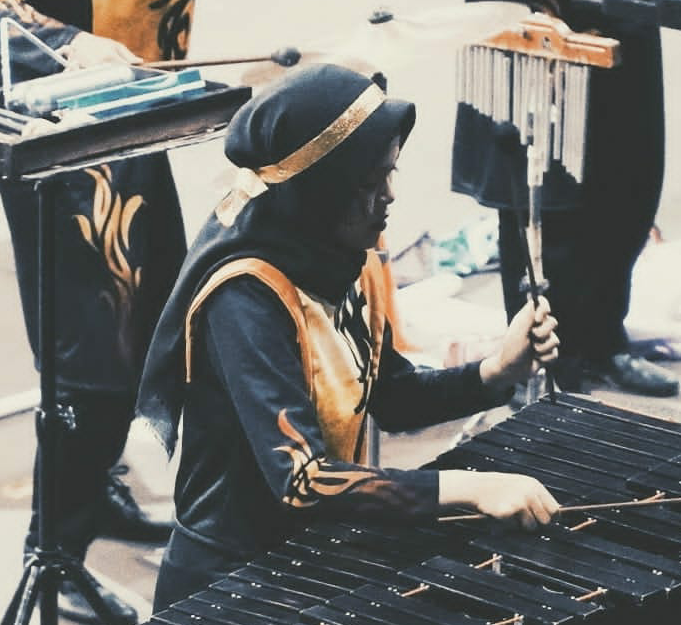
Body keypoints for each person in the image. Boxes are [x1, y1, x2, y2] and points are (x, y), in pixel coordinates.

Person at [133, 63, 561, 610]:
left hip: (310, 557)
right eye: (369, 182)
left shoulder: (341, 262)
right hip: (228, 585)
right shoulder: (245, 298)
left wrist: (497, 370)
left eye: (391, 173)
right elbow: (302, 480)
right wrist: (471, 488)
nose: (389, 195)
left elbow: (392, 397)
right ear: (317, 192)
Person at [0, 1, 193, 622]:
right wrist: (62, 42)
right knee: (96, 353)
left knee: (154, 325)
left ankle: (95, 493)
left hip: (127, 98)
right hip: (59, 109)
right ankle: (55, 551)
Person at [451, 0, 679, 397]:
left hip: (624, 26)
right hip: (539, 25)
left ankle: (603, 343)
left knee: (628, 198)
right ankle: (537, 361)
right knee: (541, 203)